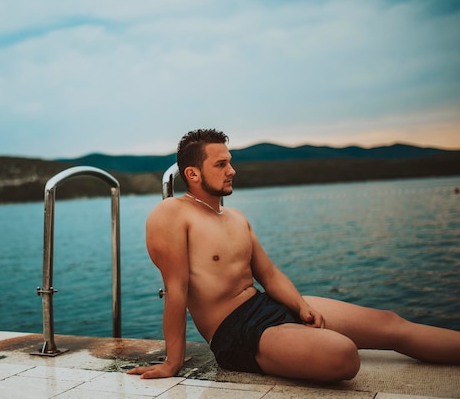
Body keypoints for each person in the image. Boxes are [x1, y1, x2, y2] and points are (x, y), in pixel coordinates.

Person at [127, 128, 460, 382]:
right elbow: (177, 290)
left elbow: (269, 276)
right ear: (193, 174)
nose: (232, 170)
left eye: (231, 161)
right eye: (221, 163)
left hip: (266, 305)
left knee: (390, 324)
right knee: (343, 354)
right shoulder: (171, 214)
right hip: (234, 331)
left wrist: (301, 307)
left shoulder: (235, 217)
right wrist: (173, 362)